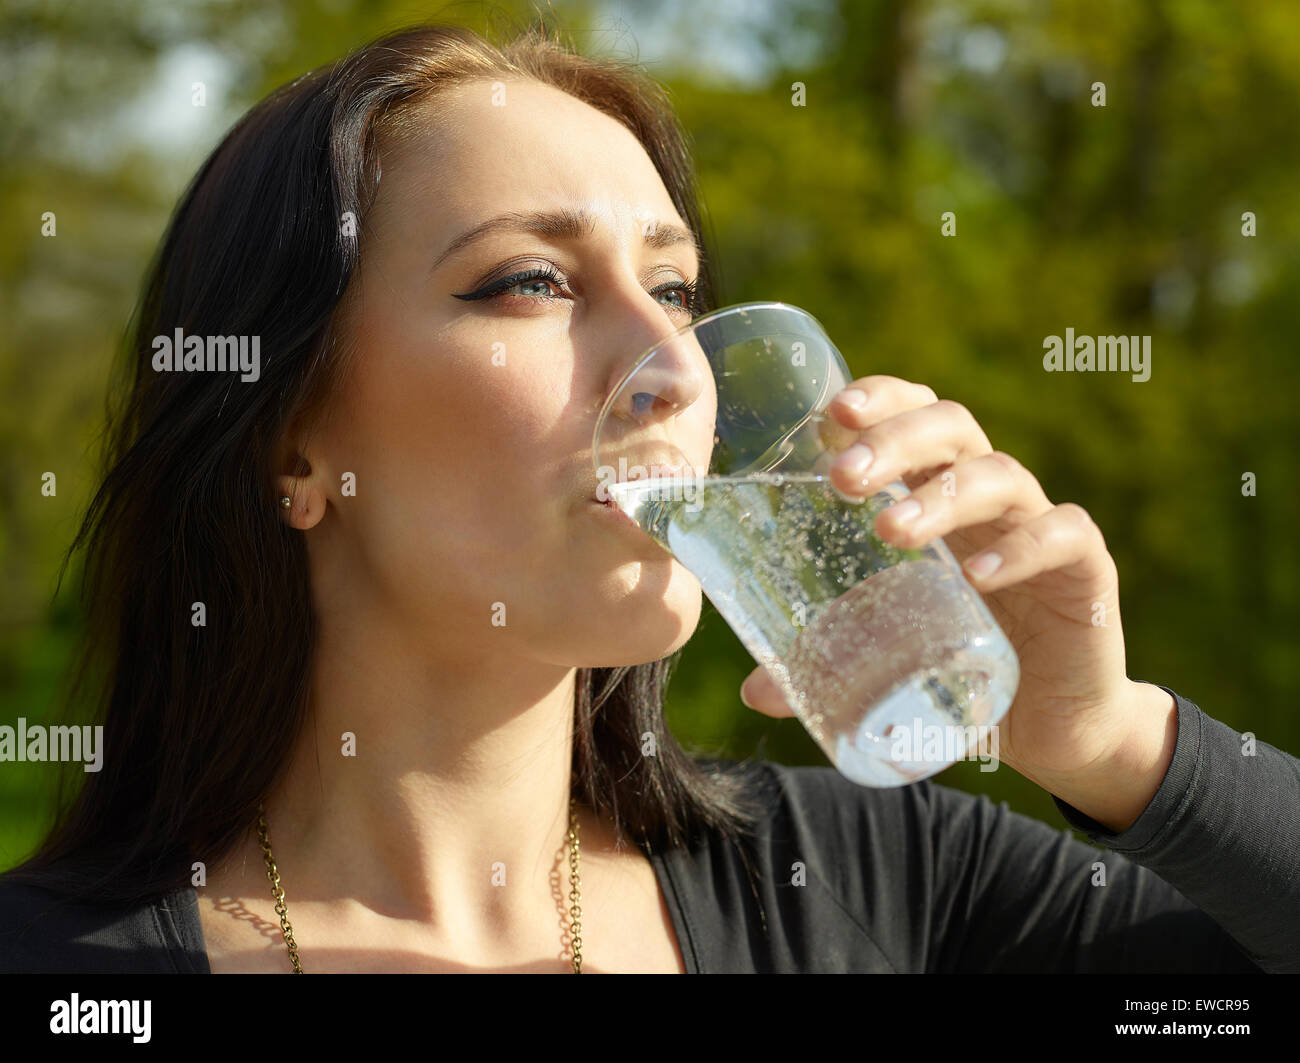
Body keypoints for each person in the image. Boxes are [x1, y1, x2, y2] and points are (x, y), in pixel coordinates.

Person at [0, 20, 1295, 975]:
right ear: (289, 443)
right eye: (530, 283)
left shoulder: (872, 890)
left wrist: (1116, 741)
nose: (676, 366)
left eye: (674, 290)